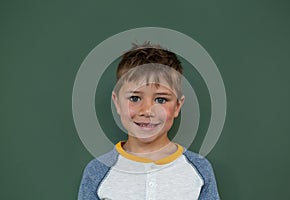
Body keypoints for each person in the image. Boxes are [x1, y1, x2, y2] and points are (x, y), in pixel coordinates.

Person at [78, 43, 220, 200]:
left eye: (160, 99)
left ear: (177, 106)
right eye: (135, 98)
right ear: (117, 103)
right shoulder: (98, 171)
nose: (147, 111)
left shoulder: (199, 169)